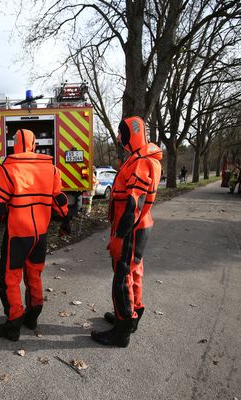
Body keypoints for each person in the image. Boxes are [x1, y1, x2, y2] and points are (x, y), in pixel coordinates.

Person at [0, 129, 70, 342]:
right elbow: (60, 203)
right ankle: (32, 317)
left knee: (10, 279)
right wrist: (65, 223)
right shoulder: (51, 170)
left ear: (15, 146)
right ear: (34, 145)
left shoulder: (6, 170)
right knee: (34, 275)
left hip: (17, 235)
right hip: (39, 235)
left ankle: (13, 324)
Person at [91, 116, 162, 348]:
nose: (119, 138)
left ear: (133, 134)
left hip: (130, 229)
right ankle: (132, 315)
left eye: (122, 134)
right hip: (140, 227)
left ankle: (122, 330)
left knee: (122, 278)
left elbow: (133, 205)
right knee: (134, 273)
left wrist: (118, 238)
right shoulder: (142, 158)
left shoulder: (141, 162)